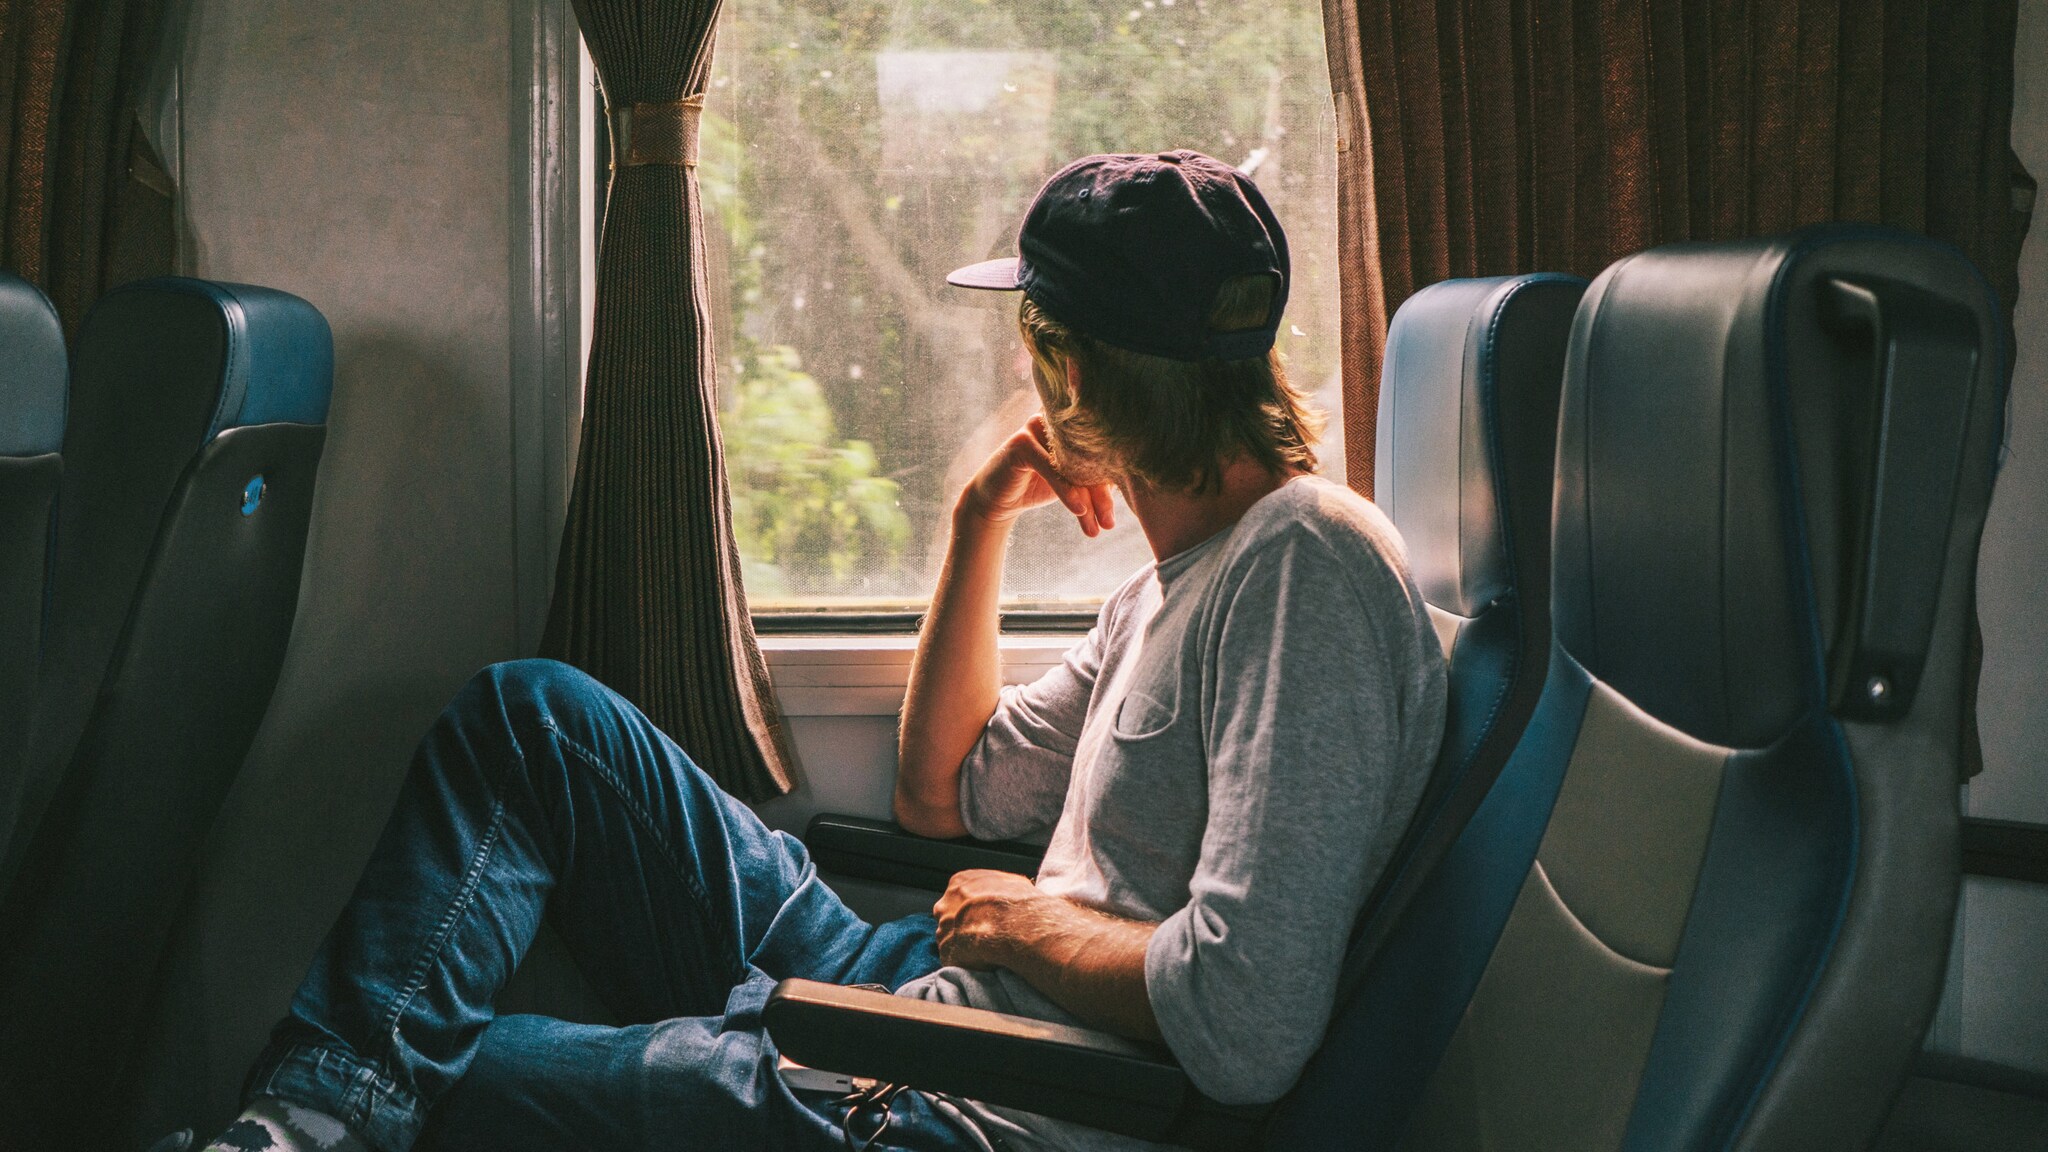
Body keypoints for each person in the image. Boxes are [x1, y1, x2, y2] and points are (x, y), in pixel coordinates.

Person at [162, 150, 1447, 1152]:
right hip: (917, 988)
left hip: (977, 1102)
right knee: (533, 718)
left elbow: (1246, 1028)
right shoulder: (1177, 579)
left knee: (456, 1077)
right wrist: (973, 521)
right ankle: (318, 1115)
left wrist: (1024, 930)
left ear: (1065, 369)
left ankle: (314, 1120)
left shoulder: (1302, 568)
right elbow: (942, 795)